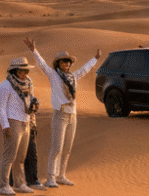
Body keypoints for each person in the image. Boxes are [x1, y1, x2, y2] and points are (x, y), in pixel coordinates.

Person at [23, 38, 100, 188]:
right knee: (56, 148)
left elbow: (85, 69)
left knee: (67, 148)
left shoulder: (73, 77)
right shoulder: (54, 75)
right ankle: (51, 178)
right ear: (58, 64)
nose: (66, 64)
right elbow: (42, 65)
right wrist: (34, 50)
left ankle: (61, 176)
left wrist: (95, 59)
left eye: (68, 62)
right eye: (63, 62)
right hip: (60, 114)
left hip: (73, 115)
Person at [0, 57, 39, 196]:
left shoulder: (28, 83)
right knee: (9, 156)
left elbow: (30, 100)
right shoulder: (5, 85)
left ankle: (20, 184)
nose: (25, 74)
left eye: (26, 71)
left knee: (21, 157)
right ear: (15, 71)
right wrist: (5, 125)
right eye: (22, 71)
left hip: (25, 121)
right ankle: (4, 185)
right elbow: (0, 108)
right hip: (12, 122)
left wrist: (33, 109)